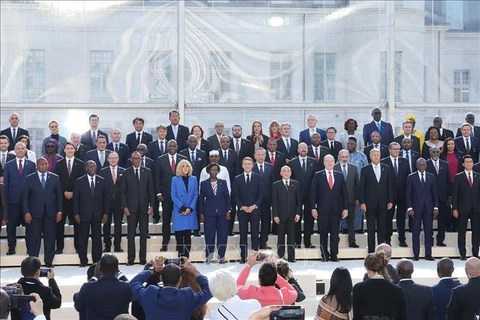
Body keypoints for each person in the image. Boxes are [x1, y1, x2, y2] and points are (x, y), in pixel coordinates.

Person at [130, 256, 212, 320]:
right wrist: (194, 271)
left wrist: (152, 270)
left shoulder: (150, 294)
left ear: (161, 278)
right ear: (180, 280)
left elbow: (134, 282)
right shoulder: (187, 297)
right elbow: (210, 290)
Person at [23, 157, 62, 267]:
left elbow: (59, 196)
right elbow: (25, 197)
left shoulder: (55, 178)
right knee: (34, 238)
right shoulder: (29, 178)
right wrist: (26, 212)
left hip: (51, 213)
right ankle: (33, 263)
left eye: (46, 164)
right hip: (34, 214)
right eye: (42, 164)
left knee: (50, 238)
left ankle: (49, 262)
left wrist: (60, 211)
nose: (45, 166)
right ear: (37, 166)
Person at [311, 155, 349, 262]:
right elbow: (313, 193)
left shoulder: (339, 175)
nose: (329, 163)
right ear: (324, 162)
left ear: (334, 162)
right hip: (322, 210)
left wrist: (345, 208)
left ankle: (334, 255)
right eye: (327, 161)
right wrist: (313, 208)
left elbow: (344, 193)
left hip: (336, 210)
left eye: (331, 161)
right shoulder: (318, 175)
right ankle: (324, 255)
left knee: (335, 234)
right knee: (323, 234)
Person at [121, 151, 155, 265]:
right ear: (131, 159)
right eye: (134, 158)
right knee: (131, 234)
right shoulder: (126, 173)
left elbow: (151, 191)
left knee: (143, 234)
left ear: (141, 159)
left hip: (144, 207)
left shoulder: (147, 172)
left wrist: (152, 206)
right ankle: (130, 259)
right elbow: (123, 192)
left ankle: (142, 259)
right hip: (131, 208)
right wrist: (125, 206)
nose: (137, 160)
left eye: (138, 158)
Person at [75, 254, 132, 320]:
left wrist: (94, 277)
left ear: (100, 269)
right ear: (117, 269)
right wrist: (120, 274)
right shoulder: (125, 287)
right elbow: (134, 288)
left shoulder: (88, 287)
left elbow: (78, 304)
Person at [3, 142, 36, 255]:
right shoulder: (8, 165)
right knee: (11, 227)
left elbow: (33, 185)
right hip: (13, 201)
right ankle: (11, 248)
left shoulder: (31, 165)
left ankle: (30, 249)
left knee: (30, 228)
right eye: (18, 148)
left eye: (23, 148)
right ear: (15, 150)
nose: (21, 150)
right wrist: (5, 202)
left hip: (27, 203)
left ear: (26, 150)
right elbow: (6, 185)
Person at [73, 160, 108, 267]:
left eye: (94, 166)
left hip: (97, 214)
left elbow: (106, 199)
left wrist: (106, 213)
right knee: (83, 239)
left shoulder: (102, 181)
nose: (93, 168)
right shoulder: (79, 181)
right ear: (86, 168)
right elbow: (76, 199)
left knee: (97, 239)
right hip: (84, 214)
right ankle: (83, 260)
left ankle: (97, 261)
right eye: (90, 166)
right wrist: (76, 213)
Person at [353, 251, 406, 320]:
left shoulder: (358, 288)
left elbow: (357, 316)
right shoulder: (397, 290)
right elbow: (402, 317)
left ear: (367, 269)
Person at [359, 149, 394, 253]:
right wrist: (362, 202)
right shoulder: (365, 169)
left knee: (382, 228)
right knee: (370, 228)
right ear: (370, 156)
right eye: (374, 154)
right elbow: (362, 187)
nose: (376, 156)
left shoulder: (386, 168)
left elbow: (389, 186)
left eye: (377, 154)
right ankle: (371, 251)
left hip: (383, 203)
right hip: (370, 203)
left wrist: (390, 200)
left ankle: (380, 251)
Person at [155, 140, 187, 251]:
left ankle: (180, 244)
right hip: (166, 195)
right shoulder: (160, 160)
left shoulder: (183, 159)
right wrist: (158, 193)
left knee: (179, 219)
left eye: (174, 145)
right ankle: (165, 242)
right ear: (167, 147)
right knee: (166, 219)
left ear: (177, 147)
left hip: (180, 197)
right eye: (170, 145)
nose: (172, 147)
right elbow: (157, 178)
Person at [54, 141, 84, 254]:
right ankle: (59, 247)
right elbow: (57, 182)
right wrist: (64, 192)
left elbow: (81, 182)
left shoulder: (80, 164)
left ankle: (78, 247)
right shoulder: (59, 164)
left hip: (76, 200)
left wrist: (73, 193)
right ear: (64, 150)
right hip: (62, 199)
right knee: (59, 224)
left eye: (72, 148)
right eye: (68, 148)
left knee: (77, 224)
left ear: (75, 150)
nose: (70, 150)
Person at [406, 158, 439, 261]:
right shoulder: (411, 177)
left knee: (428, 232)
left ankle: (428, 254)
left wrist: (436, 207)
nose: (421, 166)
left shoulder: (431, 177)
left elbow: (435, 194)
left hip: (428, 209)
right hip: (416, 209)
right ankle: (416, 254)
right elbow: (408, 194)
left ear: (426, 165)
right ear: (416, 165)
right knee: (416, 232)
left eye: (423, 164)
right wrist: (410, 208)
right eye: (419, 165)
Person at [199, 163, 231, 264]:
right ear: (209, 171)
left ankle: (221, 257)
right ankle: (209, 256)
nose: (214, 172)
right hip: (209, 212)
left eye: (216, 170)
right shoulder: (204, 183)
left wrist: (228, 210)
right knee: (209, 235)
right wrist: (201, 213)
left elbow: (227, 197)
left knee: (222, 235)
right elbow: (201, 200)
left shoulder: (223, 182)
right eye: (212, 170)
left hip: (222, 212)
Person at [233, 157, 263, 263]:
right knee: (243, 233)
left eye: (249, 164)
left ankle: (255, 256)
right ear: (242, 165)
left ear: (252, 165)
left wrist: (254, 206)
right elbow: (235, 195)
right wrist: (242, 206)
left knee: (255, 233)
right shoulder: (237, 178)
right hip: (242, 210)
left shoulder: (258, 178)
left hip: (255, 210)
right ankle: (243, 256)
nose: (247, 165)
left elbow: (261, 194)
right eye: (245, 164)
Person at [288, 142, 317, 249]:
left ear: (308, 149)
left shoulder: (314, 162)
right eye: (301, 148)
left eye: (305, 147)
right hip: (296, 195)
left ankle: (308, 242)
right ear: (298, 150)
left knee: (309, 220)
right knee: (296, 219)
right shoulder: (292, 163)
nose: (303, 149)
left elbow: (315, 179)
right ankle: (297, 241)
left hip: (310, 195)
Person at [380, 142, 409, 247]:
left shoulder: (405, 161)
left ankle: (402, 239)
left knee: (401, 218)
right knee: (388, 218)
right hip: (389, 196)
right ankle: (387, 239)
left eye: (398, 149)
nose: (396, 151)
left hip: (402, 195)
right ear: (389, 150)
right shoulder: (384, 162)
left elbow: (408, 178)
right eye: (394, 149)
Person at [452, 155, 480, 260]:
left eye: (471, 161)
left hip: (476, 209)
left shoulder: (478, 176)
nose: (469, 163)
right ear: (463, 164)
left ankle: (475, 254)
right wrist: (454, 208)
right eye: (466, 162)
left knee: (476, 232)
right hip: (462, 208)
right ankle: (462, 253)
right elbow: (455, 194)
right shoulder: (458, 177)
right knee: (462, 232)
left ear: (473, 163)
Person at [272, 165, 301, 262]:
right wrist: (275, 215)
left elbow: (298, 201)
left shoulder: (296, 184)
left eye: (288, 171)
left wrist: (298, 213)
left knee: (291, 238)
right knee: (280, 238)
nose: (286, 173)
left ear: (291, 173)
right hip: (280, 216)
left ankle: (292, 258)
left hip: (292, 216)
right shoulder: (276, 185)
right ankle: (280, 258)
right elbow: (274, 201)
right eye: (284, 171)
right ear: (280, 173)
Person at [171, 159, 199, 258]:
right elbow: (173, 195)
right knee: (179, 235)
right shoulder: (175, 179)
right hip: (180, 211)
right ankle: (180, 256)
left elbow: (196, 194)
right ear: (179, 168)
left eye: (187, 166)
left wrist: (190, 208)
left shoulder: (194, 179)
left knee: (187, 235)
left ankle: (186, 257)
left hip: (190, 211)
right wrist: (183, 208)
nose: (185, 168)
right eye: (183, 166)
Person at [426, 147, 452, 247]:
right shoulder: (425, 164)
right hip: (429, 197)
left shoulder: (445, 164)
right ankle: (430, 239)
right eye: (434, 152)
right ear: (430, 152)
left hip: (443, 197)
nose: (436, 154)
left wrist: (450, 196)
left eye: (437, 152)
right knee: (429, 220)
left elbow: (448, 181)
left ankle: (440, 240)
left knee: (442, 220)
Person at [100, 152, 125, 253]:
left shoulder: (123, 171)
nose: (113, 160)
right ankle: (107, 245)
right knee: (106, 224)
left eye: (115, 158)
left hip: (119, 203)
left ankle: (117, 245)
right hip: (107, 203)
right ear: (108, 159)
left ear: (118, 159)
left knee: (118, 224)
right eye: (111, 158)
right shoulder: (102, 171)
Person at [334, 149, 359, 247]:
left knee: (351, 222)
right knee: (336, 222)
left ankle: (352, 241)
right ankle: (335, 241)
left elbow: (357, 184)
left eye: (346, 157)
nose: (344, 159)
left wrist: (357, 198)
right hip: (336, 200)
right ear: (339, 157)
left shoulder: (354, 168)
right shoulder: (334, 167)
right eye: (342, 157)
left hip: (350, 200)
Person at [252, 148, 274, 249]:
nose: (261, 156)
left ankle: (263, 242)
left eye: (262, 155)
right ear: (255, 156)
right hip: (255, 200)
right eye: (258, 155)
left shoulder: (270, 167)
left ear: (265, 156)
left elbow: (272, 184)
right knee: (255, 223)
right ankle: (255, 243)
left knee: (266, 222)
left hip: (267, 200)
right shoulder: (251, 167)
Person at [345, 136, 368, 233]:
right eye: (348, 144)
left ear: (356, 145)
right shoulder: (344, 155)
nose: (350, 145)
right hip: (346, 186)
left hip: (359, 186)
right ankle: (345, 228)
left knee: (358, 208)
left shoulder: (362, 156)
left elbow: (366, 169)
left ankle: (358, 228)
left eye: (352, 144)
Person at [440, 137, 462, 232]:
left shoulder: (460, 155)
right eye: (448, 144)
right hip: (446, 184)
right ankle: (447, 225)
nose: (450, 146)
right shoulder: (442, 155)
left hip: (457, 183)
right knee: (447, 205)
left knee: (457, 205)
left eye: (452, 144)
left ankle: (456, 225)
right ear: (445, 145)